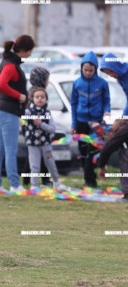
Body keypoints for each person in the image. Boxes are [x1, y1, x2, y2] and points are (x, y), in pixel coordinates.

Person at [0, 35, 34, 192]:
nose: (30, 54)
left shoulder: (9, 62)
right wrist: (20, 96)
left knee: (0, 150)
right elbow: (1, 84)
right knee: (10, 150)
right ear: (23, 50)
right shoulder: (11, 65)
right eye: (29, 51)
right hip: (8, 112)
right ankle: (15, 185)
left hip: (0, 110)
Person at [70, 51, 111, 188]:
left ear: (96, 70)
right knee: (82, 153)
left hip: (96, 123)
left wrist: (107, 113)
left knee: (91, 151)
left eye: (91, 70)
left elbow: (107, 101)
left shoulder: (102, 83)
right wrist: (74, 124)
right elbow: (73, 104)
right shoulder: (76, 83)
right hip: (81, 122)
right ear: (81, 68)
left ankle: (90, 182)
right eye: (85, 70)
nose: (88, 72)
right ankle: (89, 178)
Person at [25, 87, 65, 190]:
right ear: (32, 98)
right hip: (32, 144)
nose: (39, 99)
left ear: (46, 99)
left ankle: (57, 183)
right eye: (37, 97)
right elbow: (24, 120)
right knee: (34, 166)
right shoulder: (28, 112)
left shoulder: (47, 113)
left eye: (42, 97)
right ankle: (33, 186)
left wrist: (41, 124)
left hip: (46, 144)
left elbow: (52, 129)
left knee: (51, 164)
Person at [25, 66, 52, 187]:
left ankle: (27, 179)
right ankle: (44, 180)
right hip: (36, 128)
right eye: (46, 79)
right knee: (42, 155)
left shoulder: (30, 91)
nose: (47, 82)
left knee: (32, 156)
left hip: (31, 128)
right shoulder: (38, 94)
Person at [98, 120, 128, 201]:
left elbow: (108, 148)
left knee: (125, 154)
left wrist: (101, 167)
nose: (114, 134)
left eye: (115, 131)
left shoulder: (125, 129)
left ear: (121, 124)